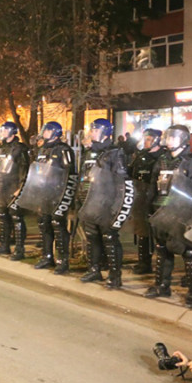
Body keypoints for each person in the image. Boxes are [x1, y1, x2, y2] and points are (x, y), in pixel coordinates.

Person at [144, 125, 192, 306]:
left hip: (183, 213)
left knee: (189, 253)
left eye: (174, 137)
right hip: (161, 212)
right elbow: (152, 187)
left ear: (183, 139)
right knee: (162, 250)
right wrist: (149, 208)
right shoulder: (162, 160)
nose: (169, 140)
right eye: (168, 136)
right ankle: (162, 286)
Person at [78, 119, 132, 288]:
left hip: (106, 202)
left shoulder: (115, 152)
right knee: (92, 236)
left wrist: (116, 207)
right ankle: (94, 269)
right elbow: (83, 175)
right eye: (92, 130)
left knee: (109, 238)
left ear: (105, 132)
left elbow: (121, 181)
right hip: (89, 201)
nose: (92, 132)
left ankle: (115, 276)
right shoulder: (88, 152)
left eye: (96, 130)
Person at [32, 122, 76, 273]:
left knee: (58, 226)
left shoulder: (63, 150)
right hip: (44, 192)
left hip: (58, 193)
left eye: (47, 130)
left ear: (55, 132)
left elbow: (69, 173)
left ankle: (63, 261)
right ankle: (47, 256)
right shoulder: (43, 149)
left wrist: (65, 194)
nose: (44, 132)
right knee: (44, 224)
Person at [0, 121, 30, 259]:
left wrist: (20, 187)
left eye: (5, 130)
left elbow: (25, 169)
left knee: (16, 218)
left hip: (13, 187)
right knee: (3, 217)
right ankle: (4, 246)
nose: (2, 132)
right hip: (1, 187)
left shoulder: (19, 149)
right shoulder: (1, 149)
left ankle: (19, 250)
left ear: (12, 132)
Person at [128, 129, 164, 274]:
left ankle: (162, 266)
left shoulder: (162, 157)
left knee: (159, 233)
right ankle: (144, 262)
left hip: (157, 197)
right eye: (145, 139)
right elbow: (131, 172)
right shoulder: (141, 156)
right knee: (142, 230)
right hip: (141, 196)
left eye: (149, 139)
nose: (146, 141)